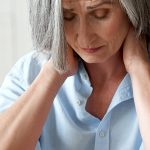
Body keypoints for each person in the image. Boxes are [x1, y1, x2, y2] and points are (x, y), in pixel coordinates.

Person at [0, 0, 150, 149]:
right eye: (67, 16)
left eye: (100, 14)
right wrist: (53, 72)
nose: (84, 37)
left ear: (133, 9)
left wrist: (139, 68)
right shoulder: (28, 74)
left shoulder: (143, 71)